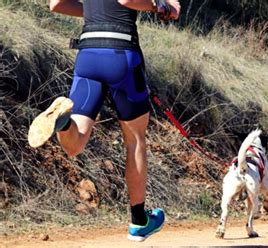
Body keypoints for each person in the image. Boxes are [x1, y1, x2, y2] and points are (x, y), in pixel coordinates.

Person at [28, 0, 180, 241]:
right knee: (135, 140)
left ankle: (63, 122)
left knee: (74, 145)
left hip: (88, 53)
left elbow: (56, 4)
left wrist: (92, 11)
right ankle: (139, 221)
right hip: (121, 53)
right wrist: (159, 5)